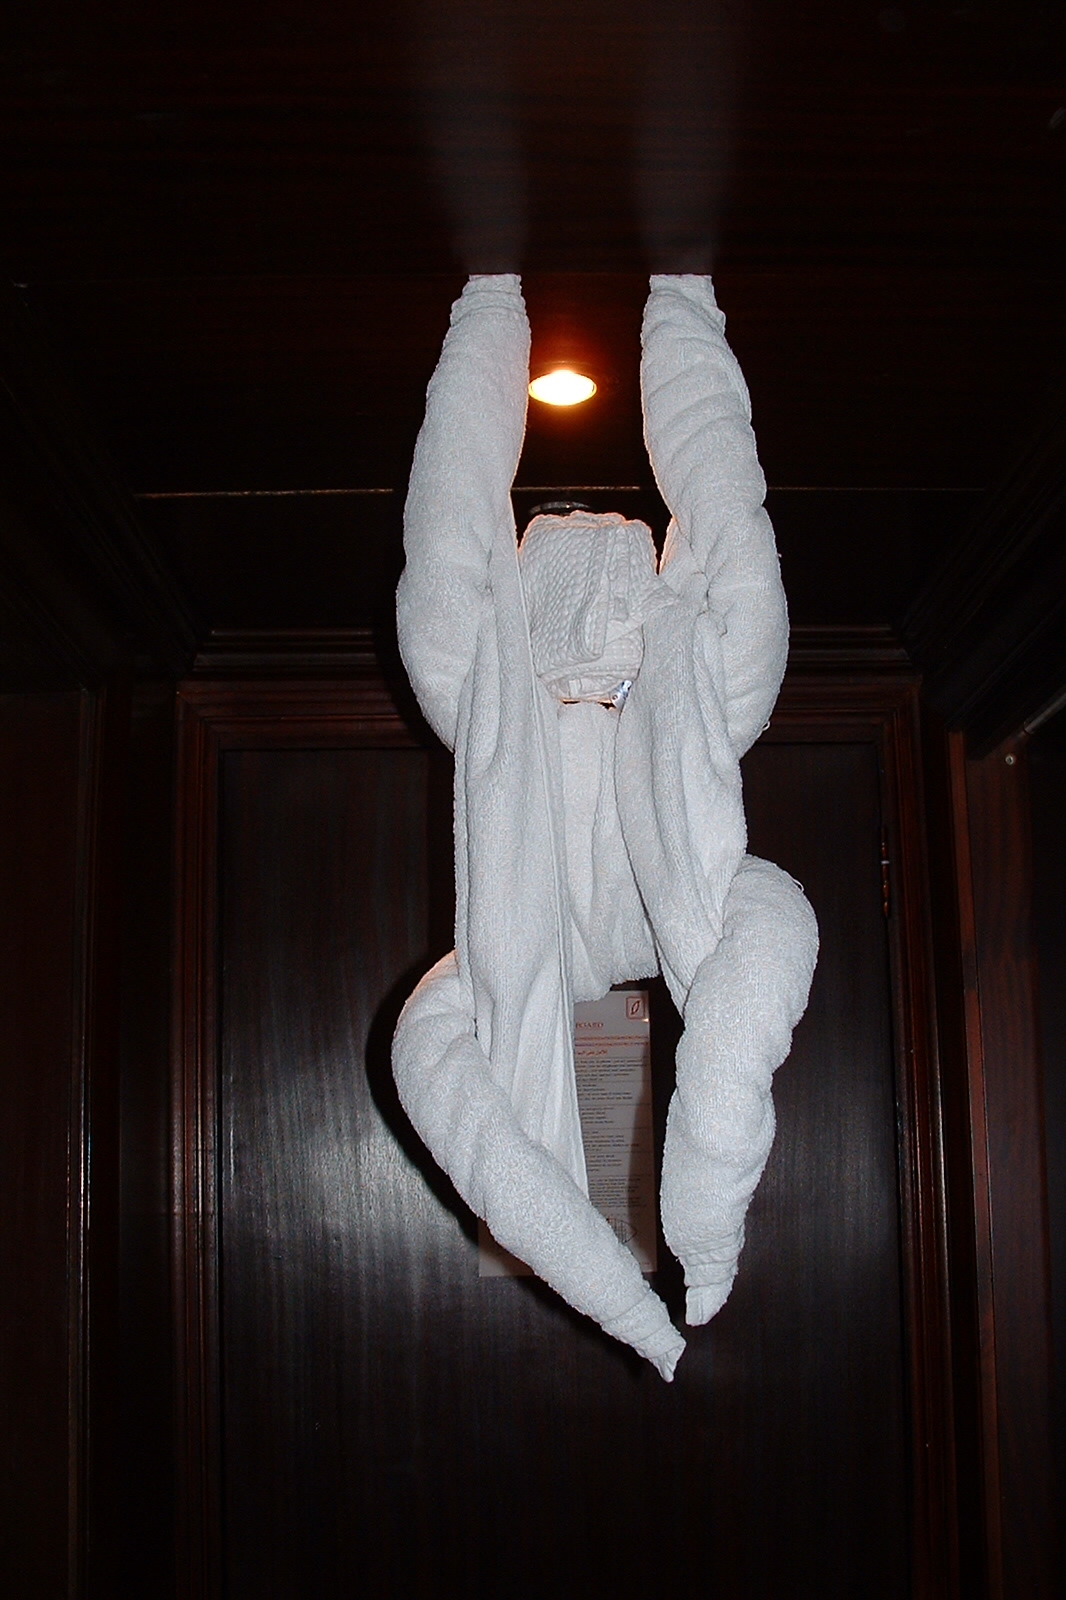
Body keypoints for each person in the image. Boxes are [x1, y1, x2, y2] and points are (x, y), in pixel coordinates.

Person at [392, 273, 818, 1379]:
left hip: (617, 912)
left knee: (770, 924)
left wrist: (491, 307)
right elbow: (720, 489)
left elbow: (452, 503)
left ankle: (700, 1227)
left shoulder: (470, 678)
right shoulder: (723, 681)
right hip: (576, 927)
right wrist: (680, 303)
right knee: (770, 923)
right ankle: (662, 1262)